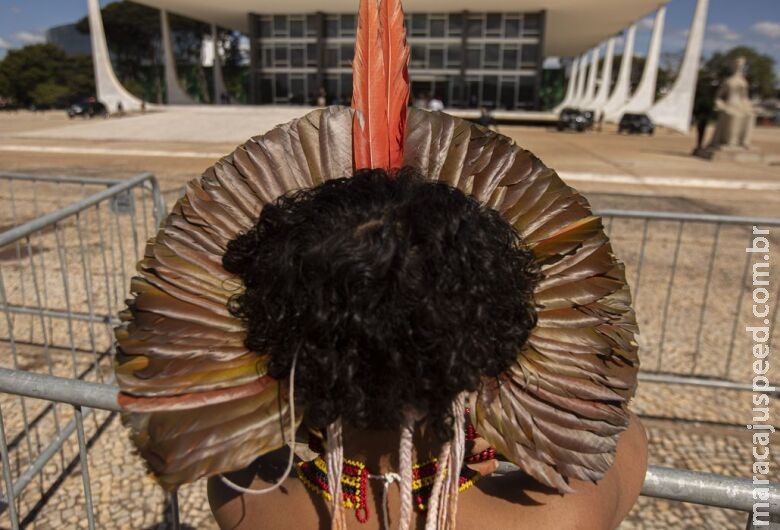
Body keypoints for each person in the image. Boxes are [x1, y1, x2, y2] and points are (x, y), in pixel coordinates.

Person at [113, 0, 644, 528]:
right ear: (490, 340)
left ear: (283, 343)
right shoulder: (564, 517)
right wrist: (487, 415)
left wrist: (309, 394)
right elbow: (621, 430)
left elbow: (243, 453)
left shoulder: (247, 506)